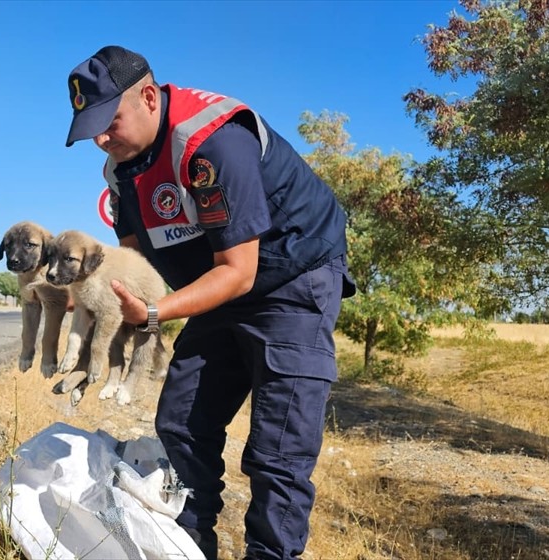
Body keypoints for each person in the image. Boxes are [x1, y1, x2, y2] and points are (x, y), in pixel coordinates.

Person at [64, 45, 356, 560]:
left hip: (292, 277)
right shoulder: (122, 172)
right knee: (181, 422)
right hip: (217, 283)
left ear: (148, 98)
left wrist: (154, 313)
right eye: (92, 131)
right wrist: (92, 302)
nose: (102, 140)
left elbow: (239, 272)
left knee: (277, 451)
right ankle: (189, 548)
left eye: (109, 122)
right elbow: (134, 266)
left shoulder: (213, 142)